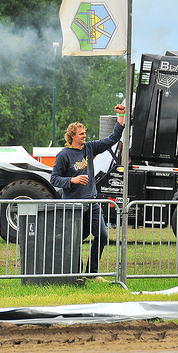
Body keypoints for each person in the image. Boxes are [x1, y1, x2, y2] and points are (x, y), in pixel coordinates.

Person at [50, 104, 126, 274]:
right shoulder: (64, 155)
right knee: (74, 240)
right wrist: (72, 179)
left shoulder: (89, 148)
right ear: (72, 136)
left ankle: (92, 273)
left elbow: (113, 138)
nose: (85, 136)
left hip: (92, 202)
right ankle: (75, 274)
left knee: (103, 236)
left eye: (85, 133)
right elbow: (54, 179)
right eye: (81, 134)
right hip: (73, 205)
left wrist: (120, 116)